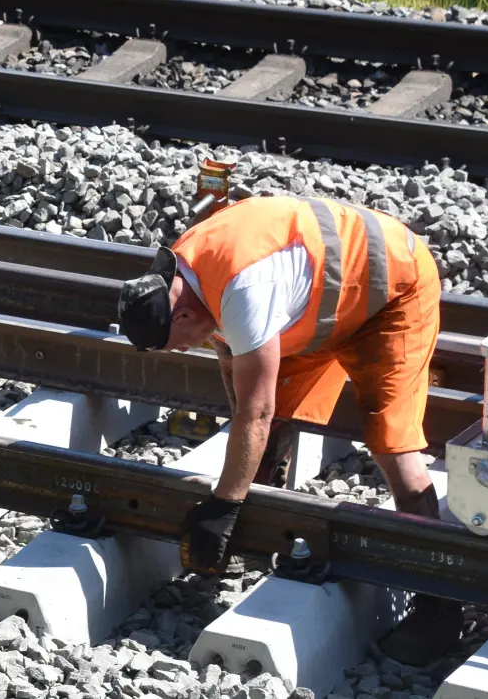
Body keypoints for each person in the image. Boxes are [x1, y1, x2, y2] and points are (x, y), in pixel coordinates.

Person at [115, 194, 459, 666]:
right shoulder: (185, 277)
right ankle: (264, 535)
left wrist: (223, 505)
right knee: (271, 421)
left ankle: (438, 608)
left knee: (392, 442)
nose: (180, 352)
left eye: (175, 345)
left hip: (391, 290)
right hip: (325, 302)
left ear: (182, 314)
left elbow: (253, 411)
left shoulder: (242, 288)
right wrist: (239, 485)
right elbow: (232, 363)